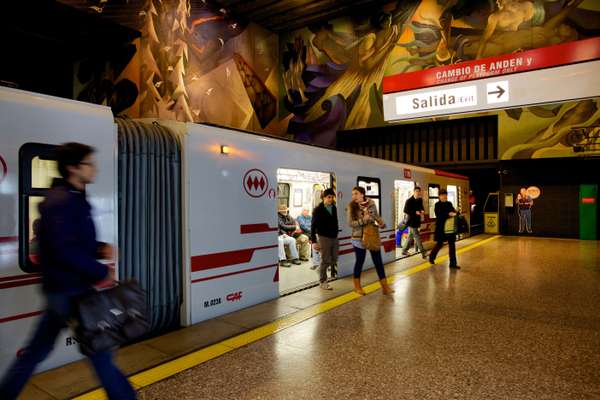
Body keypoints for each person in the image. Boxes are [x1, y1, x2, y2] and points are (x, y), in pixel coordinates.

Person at [0, 143, 136, 400]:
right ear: (74, 168)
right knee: (101, 354)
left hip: (62, 291)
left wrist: (99, 247)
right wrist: (100, 272)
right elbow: (65, 251)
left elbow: (70, 242)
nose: (94, 169)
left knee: (36, 352)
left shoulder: (70, 197)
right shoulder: (63, 202)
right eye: (89, 164)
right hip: (71, 291)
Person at [347, 186, 394, 295]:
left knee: (378, 261)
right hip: (358, 238)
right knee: (360, 261)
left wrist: (382, 223)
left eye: (356, 193)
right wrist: (364, 220)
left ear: (362, 194)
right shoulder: (351, 207)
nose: (354, 196)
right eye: (353, 194)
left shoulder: (371, 203)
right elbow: (350, 223)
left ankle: (385, 287)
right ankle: (357, 287)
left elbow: (376, 216)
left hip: (372, 236)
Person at [311, 189, 339, 290]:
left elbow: (335, 222)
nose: (331, 199)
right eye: (329, 197)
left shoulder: (334, 208)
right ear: (324, 197)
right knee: (325, 259)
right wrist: (314, 241)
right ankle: (323, 281)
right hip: (323, 237)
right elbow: (313, 226)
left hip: (334, 236)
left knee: (335, 258)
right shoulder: (318, 210)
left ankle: (320, 269)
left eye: (332, 197)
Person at [428, 189, 460, 270]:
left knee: (452, 245)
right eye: (442, 195)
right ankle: (431, 257)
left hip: (450, 228)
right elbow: (439, 215)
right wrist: (448, 214)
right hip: (441, 228)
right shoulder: (437, 205)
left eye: (445, 194)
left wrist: (456, 212)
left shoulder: (449, 203)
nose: (444, 196)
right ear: (439, 196)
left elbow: (453, 212)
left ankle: (453, 263)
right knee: (440, 243)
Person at [401, 187, 427, 259]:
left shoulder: (420, 200)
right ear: (414, 192)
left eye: (419, 191)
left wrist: (422, 211)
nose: (418, 193)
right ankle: (423, 252)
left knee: (410, 236)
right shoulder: (409, 201)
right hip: (411, 221)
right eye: (416, 191)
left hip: (417, 221)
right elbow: (405, 210)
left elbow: (422, 208)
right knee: (417, 236)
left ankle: (404, 250)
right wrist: (415, 212)